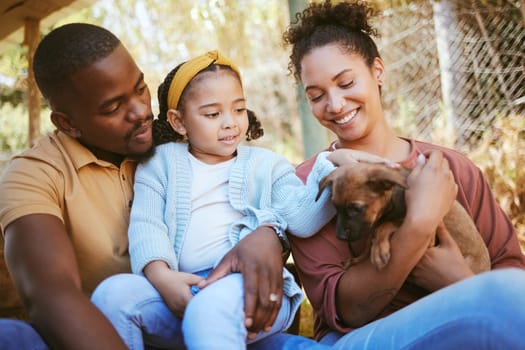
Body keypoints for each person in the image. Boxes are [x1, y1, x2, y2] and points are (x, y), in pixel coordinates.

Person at [0, 24, 296, 350]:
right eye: (113, 107)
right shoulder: (35, 174)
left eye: (140, 88)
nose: (141, 111)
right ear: (68, 123)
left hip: (223, 313)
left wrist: (270, 233)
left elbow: (281, 195)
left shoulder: (188, 142)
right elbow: (49, 295)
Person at [90, 50, 392, 350]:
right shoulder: (159, 163)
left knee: (210, 311)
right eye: (212, 114)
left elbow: (301, 219)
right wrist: (162, 277)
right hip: (181, 287)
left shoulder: (267, 165)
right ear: (179, 122)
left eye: (238, 109)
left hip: (251, 288)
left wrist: (332, 161)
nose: (230, 123)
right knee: (112, 296)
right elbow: (147, 224)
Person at [278, 0, 525, 349]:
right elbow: (346, 310)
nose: (334, 105)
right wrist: (420, 225)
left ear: (377, 71)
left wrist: (456, 280)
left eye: (346, 82)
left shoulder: (450, 168)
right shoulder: (307, 185)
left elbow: (510, 276)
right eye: (316, 96)